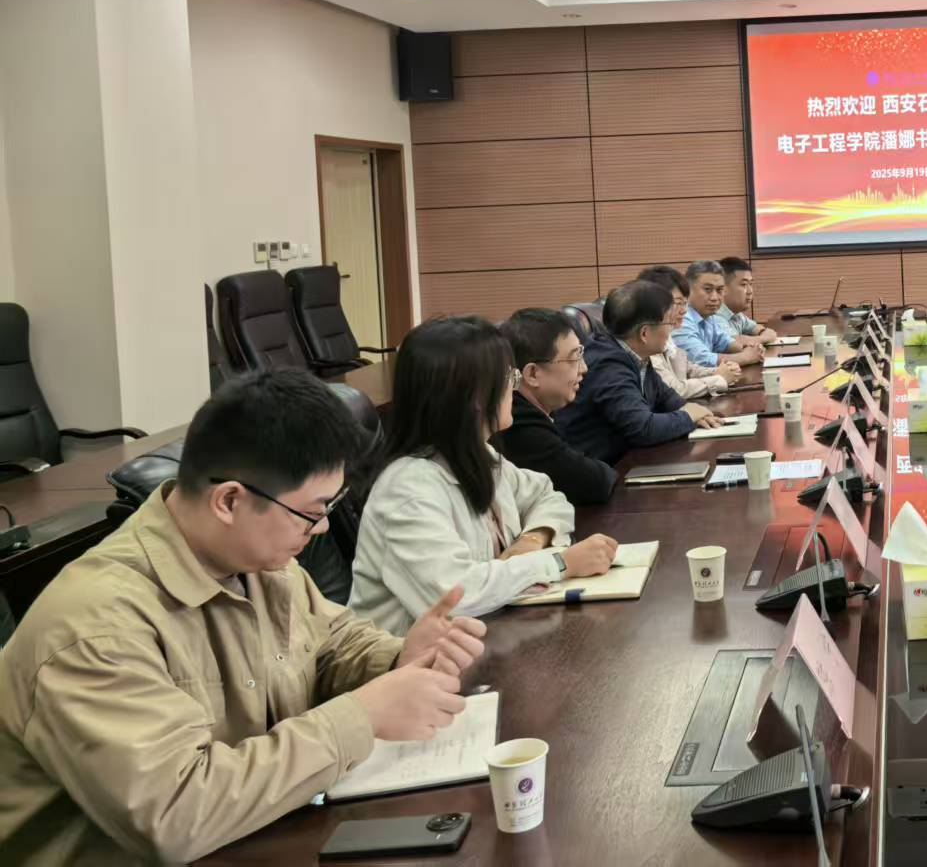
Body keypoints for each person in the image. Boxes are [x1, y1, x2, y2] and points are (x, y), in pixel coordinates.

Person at [0, 370, 486, 864]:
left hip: (258, 838)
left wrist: (397, 658)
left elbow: (328, 643)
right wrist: (362, 717)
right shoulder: (96, 627)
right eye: (312, 511)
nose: (321, 528)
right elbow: (176, 813)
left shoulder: (260, 563)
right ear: (229, 500)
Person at [350, 317, 619, 636]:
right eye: (508, 377)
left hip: (488, 639)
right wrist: (560, 563)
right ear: (474, 396)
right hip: (414, 660)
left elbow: (547, 495)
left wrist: (533, 540)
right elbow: (456, 597)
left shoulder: (479, 455)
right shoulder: (407, 489)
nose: (514, 387)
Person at [559, 280, 723, 464]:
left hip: (630, 458)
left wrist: (692, 411)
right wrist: (688, 416)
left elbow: (666, 397)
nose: (673, 330)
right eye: (669, 323)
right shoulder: (608, 363)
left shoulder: (635, 353)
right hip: (605, 469)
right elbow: (643, 428)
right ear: (645, 333)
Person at [492, 307, 617, 504]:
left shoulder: (545, 408)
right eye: (574, 358)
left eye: (581, 355)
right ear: (532, 374)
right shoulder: (518, 423)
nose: (584, 368)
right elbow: (594, 482)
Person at [638, 265, 740, 400]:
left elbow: (687, 368)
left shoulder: (668, 333)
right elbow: (673, 390)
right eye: (678, 303)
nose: (684, 310)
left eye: (685, 303)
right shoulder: (647, 339)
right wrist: (719, 379)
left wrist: (721, 371)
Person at [675, 261, 765, 368]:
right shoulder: (680, 318)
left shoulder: (709, 317)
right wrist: (746, 357)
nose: (714, 298)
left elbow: (725, 342)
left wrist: (750, 348)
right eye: (707, 289)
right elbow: (701, 359)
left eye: (719, 290)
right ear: (687, 290)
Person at [717, 256, 779, 345]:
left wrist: (763, 333)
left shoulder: (737, 315)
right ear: (723, 288)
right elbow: (733, 342)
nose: (750, 291)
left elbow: (757, 328)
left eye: (751, 284)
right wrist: (764, 338)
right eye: (744, 284)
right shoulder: (714, 315)